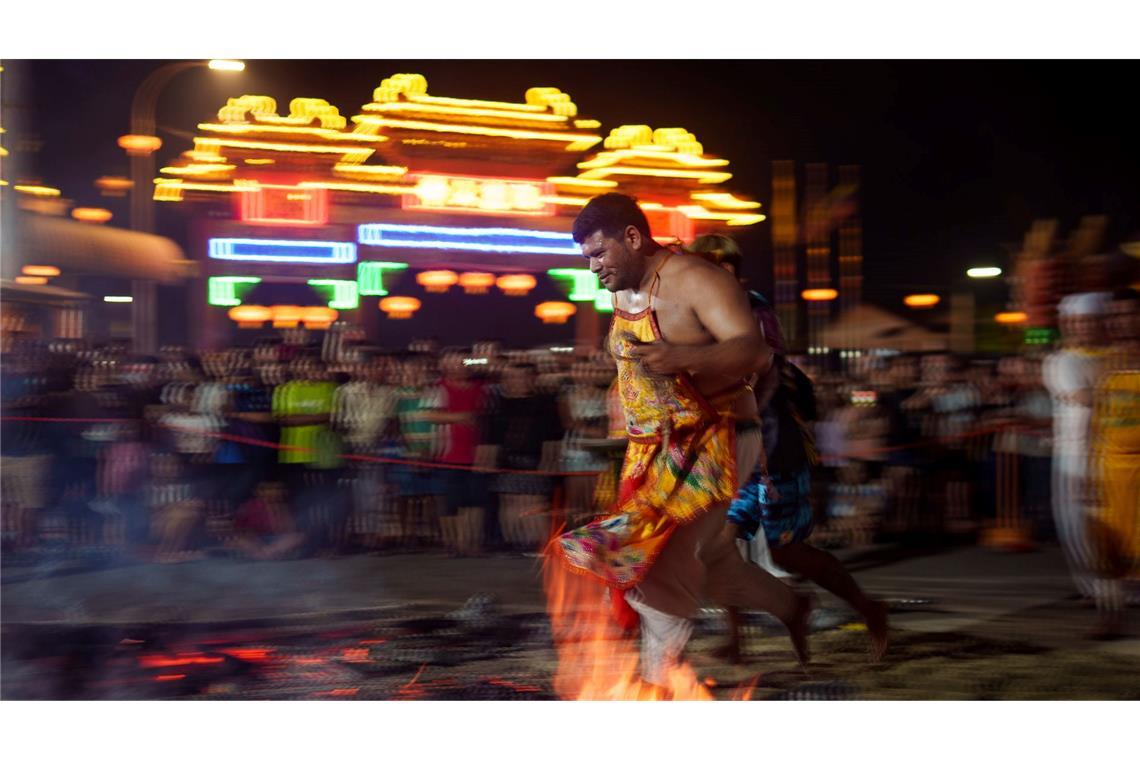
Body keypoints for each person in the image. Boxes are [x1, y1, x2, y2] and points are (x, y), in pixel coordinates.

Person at [552, 194, 812, 690]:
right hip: (650, 448)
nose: (593, 268)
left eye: (600, 254)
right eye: (586, 258)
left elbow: (754, 352)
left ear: (633, 237)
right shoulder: (622, 287)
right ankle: (792, 606)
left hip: (718, 438)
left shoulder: (697, 279)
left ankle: (658, 686)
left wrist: (684, 359)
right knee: (713, 565)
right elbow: (635, 366)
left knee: (656, 561)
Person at [1043, 292, 1111, 605]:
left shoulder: (1115, 356)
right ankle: (1093, 588)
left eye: (1090, 321)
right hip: (1073, 457)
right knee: (1075, 524)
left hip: (1112, 453)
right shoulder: (1061, 361)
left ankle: (1114, 589)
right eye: (1077, 322)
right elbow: (1087, 399)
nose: (1082, 327)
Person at [1087, 288, 1140, 638]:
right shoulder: (1103, 363)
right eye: (1116, 314)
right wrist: (1089, 472)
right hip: (1109, 469)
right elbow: (1096, 419)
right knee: (1107, 549)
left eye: (1130, 313)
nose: (1123, 321)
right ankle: (1110, 617)